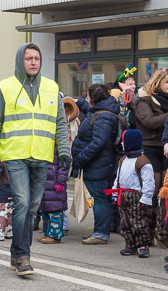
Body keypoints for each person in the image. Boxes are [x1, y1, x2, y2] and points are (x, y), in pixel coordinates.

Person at [0, 43, 71, 277]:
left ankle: (17, 254)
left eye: (37, 58)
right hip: (15, 156)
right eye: (29, 58)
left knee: (32, 208)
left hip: (41, 156)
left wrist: (65, 151)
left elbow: (60, 123)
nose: (33, 62)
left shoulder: (52, 87)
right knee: (22, 202)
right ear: (20, 60)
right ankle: (23, 257)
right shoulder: (6, 87)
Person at [132, 68, 168, 248]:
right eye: (167, 82)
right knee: (151, 190)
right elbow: (149, 122)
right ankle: (147, 233)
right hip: (150, 148)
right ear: (157, 82)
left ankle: (164, 234)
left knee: (167, 192)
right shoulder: (144, 100)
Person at [71, 84, 121, 246]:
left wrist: (80, 159)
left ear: (94, 98)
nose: (86, 100)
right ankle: (100, 231)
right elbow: (91, 112)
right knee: (99, 197)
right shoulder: (102, 111)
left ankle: (101, 233)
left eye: (87, 97)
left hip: (98, 164)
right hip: (98, 163)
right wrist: (78, 102)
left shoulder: (104, 117)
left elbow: (98, 143)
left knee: (99, 198)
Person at [112, 130, 155, 258]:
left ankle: (143, 244)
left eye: (124, 141)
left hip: (136, 196)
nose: (121, 143)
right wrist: (115, 192)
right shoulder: (123, 160)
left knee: (138, 221)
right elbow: (118, 178)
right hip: (123, 194)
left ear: (131, 142)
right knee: (125, 222)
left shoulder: (143, 162)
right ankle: (130, 244)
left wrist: (146, 198)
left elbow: (149, 182)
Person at [37, 147, 69, 244]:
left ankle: (55, 236)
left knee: (54, 210)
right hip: (44, 182)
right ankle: (47, 233)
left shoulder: (60, 148)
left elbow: (64, 167)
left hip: (55, 184)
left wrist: (61, 181)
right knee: (45, 211)